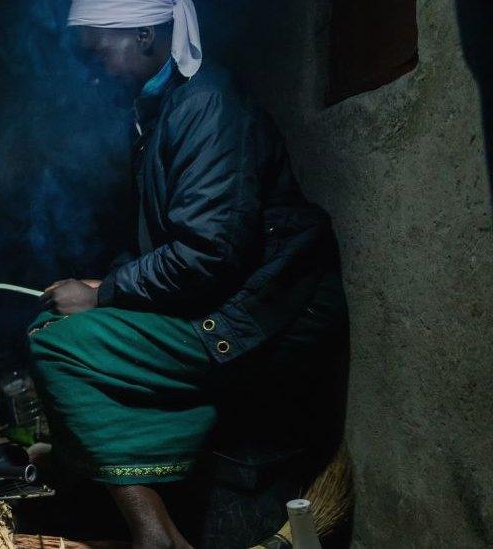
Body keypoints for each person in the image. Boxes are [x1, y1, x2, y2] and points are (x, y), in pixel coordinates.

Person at [29, 1, 348, 547]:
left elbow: (209, 253)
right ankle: (150, 495)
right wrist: (100, 284)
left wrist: (104, 293)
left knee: (58, 346)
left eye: (97, 51)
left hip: (271, 315)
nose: (90, 70)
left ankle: (156, 533)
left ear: (148, 35)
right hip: (233, 304)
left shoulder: (206, 105)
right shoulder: (162, 109)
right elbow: (178, 245)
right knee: (53, 323)